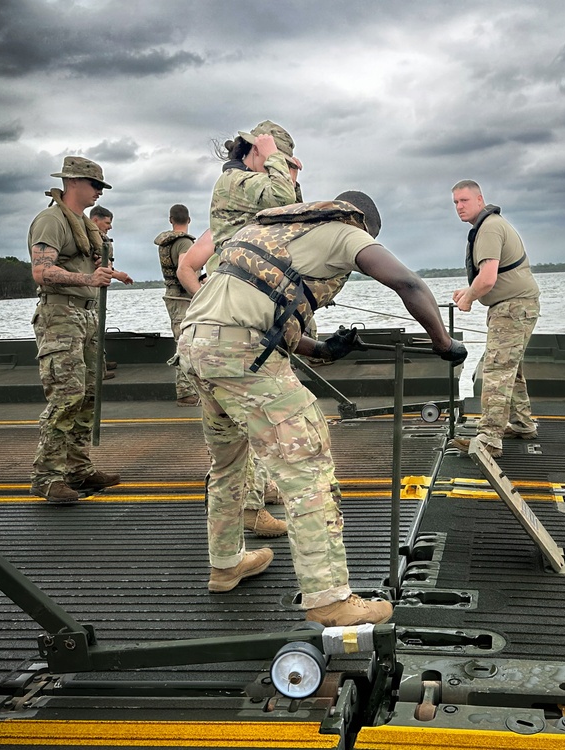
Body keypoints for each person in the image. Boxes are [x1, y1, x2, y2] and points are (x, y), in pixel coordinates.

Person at [177, 192, 466, 626]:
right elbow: (408, 283)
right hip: (241, 356)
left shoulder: (266, 229)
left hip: (196, 347)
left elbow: (259, 307)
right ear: (364, 224)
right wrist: (444, 343)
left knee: (228, 464)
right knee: (308, 469)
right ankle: (328, 599)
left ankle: (225, 564)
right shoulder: (346, 232)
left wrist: (324, 349)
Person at [178, 120, 306, 538]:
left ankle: (241, 524)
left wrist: (287, 172)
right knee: (250, 423)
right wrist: (274, 159)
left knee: (240, 429)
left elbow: (293, 217)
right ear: (255, 150)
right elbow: (283, 200)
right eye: (273, 158)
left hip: (254, 314)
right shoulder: (234, 183)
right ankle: (248, 508)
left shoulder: (255, 198)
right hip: (235, 322)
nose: (280, 168)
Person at [27, 156, 123, 504]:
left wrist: (110, 272)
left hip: (86, 316)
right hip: (60, 316)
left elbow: (91, 264)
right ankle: (47, 476)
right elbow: (42, 272)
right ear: (72, 183)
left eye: (100, 186)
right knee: (65, 397)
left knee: (88, 396)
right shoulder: (51, 222)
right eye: (94, 184)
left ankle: (77, 469)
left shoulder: (84, 224)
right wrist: (87, 278)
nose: (98, 191)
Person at [450, 180, 540, 459]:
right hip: (519, 306)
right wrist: (469, 290)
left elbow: (488, 278)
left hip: (512, 308)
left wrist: (468, 298)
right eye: (455, 203)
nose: (459, 207)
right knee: (511, 367)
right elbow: (495, 275)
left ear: (480, 199)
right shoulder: (491, 226)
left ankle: (489, 439)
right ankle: (523, 423)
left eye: (464, 200)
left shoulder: (488, 228)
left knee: (497, 370)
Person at [154, 204, 199, 406]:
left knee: (183, 341)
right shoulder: (184, 244)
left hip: (173, 297)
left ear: (171, 219)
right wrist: (199, 292)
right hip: (184, 299)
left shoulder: (165, 243)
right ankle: (186, 391)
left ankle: (187, 389)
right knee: (186, 343)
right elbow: (184, 270)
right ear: (188, 220)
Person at [88, 205, 134, 380]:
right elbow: (98, 265)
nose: (110, 226)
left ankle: (100, 361)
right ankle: (97, 368)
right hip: (91, 290)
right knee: (93, 330)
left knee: (98, 326)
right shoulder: (90, 238)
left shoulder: (101, 238)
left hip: (97, 291)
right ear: (95, 220)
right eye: (107, 222)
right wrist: (118, 275)